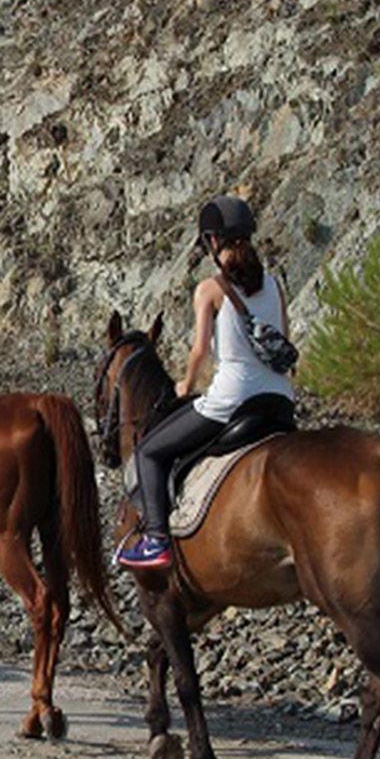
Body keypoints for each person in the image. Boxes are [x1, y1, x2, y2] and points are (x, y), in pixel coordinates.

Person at [118, 195, 296, 570]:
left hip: (233, 399)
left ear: (213, 241)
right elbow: (285, 339)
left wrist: (185, 384)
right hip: (280, 398)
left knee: (148, 452)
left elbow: (199, 349)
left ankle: (156, 540)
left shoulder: (211, 289)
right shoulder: (275, 285)